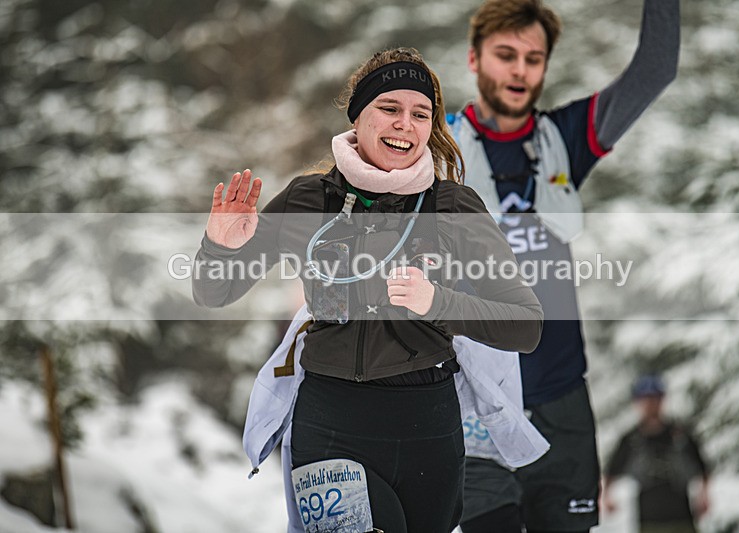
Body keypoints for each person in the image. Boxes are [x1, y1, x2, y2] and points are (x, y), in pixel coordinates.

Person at [193, 47, 544, 533]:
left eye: (421, 114)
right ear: (358, 116)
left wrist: (437, 302)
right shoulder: (306, 198)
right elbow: (213, 293)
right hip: (331, 422)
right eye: (389, 108)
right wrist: (220, 248)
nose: (405, 123)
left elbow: (525, 324)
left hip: (428, 430)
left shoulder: (454, 206)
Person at [450, 0, 681, 531]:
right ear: (474, 58)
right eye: (505, 54)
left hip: (562, 401)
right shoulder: (439, 147)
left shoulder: (564, 138)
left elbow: (655, 70)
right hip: (475, 403)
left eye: (533, 58)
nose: (519, 70)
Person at [603, 375, 710, 533]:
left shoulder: (680, 436)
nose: (651, 404)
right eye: (646, 399)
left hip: (682, 518)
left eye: (655, 399)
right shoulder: (632, 440)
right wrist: (607, 497)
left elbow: (702, 468)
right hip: (649, 521)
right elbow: (612, 470)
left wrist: (704, 496)